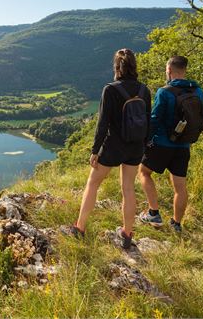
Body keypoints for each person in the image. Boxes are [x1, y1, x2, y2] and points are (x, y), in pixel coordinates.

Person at [63, 48, 151, 249]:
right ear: (134, 65)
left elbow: (102, 123)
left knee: (92, 184)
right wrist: (145, 146)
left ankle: (80, 228)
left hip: (113, 146)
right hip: (135, 145)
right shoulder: (144, 90)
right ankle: (127, 234)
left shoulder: (110, 89)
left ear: (116, 67)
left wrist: (95, 150)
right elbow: (148, 120)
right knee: (128, 189)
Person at [138, 56, 203, 233]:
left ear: (169, 70)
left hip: (161, 143)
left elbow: (154, 119)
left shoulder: (165, 91)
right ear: (184, 70)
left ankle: (154, 212)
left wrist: (146, 141)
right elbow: (202, 117)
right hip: (183, 146)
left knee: (144, 173)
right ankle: (176, 224)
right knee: (180, 186)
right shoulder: (198, 91)